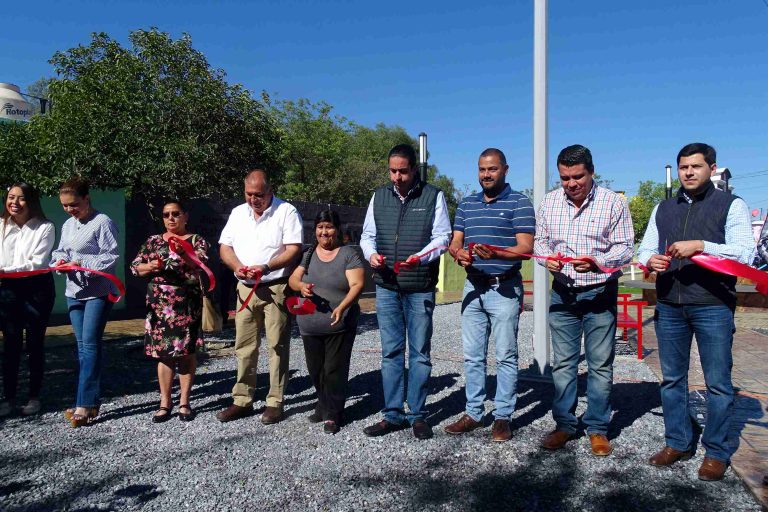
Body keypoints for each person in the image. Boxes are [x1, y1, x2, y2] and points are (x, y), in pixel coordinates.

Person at [638, 143, 753, 481]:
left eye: (696, 166)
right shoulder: (663, 208)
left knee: (717, 383)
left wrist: (702, 246)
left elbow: (744, 253)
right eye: (684, 166)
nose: (688, 172)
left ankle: (716, 452)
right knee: (673, 380)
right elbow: (646, 247)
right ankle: (678, 441)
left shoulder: (731, 205)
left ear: (712, 168)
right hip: (670, 305)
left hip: (713, 305)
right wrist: (650, 260)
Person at [533, 144, 634, 456]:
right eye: (565, 178)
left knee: (600, 364)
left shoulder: (613, 203)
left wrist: (598, 262)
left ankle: (598, 428)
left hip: (600, 293)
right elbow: (540, 241)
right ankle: (564, 424)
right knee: (563, 363)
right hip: (562, 292)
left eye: (577, 176)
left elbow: (626, 248)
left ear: (591, 172)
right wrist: (546, 258)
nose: (571, 184)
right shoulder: (549, 203)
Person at [360, 144, 451, 440]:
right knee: (391, 352)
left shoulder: (433, 196)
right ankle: (392, 414)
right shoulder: (379, 196)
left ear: (414, 169)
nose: (397, 177)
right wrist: (371, 255)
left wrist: (421, 257)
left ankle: (418, 414)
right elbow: (367, 236)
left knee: (420, 354)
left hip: (420, 286)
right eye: (392, 170)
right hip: (386, 285)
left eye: (403, 171)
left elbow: (442, 237)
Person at [445, 148, 535, 442]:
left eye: (492, 169)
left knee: (506, 355)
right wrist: (459, 255)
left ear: (505, 170)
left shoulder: (519, 202)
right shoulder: (467, 204)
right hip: (474, 286)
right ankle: (473, 412)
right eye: (482, 169)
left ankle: (502, 416)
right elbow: (455, 243)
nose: (486, 174)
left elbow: (525, 247)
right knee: (472, 356)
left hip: (504, 287)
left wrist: (496, 252)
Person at [216, 169, 303, 425]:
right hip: (245, 288)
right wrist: (236, 266)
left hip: (275, 286)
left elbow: (294, 249)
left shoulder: (286, 211)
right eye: (249, 194)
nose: (254, 199)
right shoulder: (237, 213)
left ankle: (275, 401)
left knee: (277, 345)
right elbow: (225, 247)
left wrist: (266, 267)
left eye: (259, 195)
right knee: (244, 346)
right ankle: (242, 399)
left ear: (270, 190)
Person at [130, 200, 210, 423]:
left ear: (186, 216)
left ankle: (185, 401)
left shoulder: (196, 241)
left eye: (176, 213)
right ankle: (165, 402)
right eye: (166, 215)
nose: (171, 218)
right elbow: (135, 266)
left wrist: (174, 258)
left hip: (186, 303)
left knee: (186, 352)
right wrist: (150, 267)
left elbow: (199, 263)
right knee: (163, 355)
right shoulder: (153, 241)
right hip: (159, 305)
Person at [288, 210, 364, 434]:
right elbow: (293, 278)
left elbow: (357, 285)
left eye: (329, 227)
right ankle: (323, 403)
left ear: (337, 229)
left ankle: (334, 413)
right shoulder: (308, 254)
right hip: (309, 325)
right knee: (315, 370)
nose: (324, 232)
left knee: (334, 369)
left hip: (338, 323)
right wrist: (301, 286)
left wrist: (342, 306)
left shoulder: (348, 254)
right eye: (320, 227)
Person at [51, 177, 120, 428]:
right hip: (74, 292)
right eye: (65, 206)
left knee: (89, 346)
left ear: (86, 198)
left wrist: (83, 266)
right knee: (81, 347)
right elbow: (61, 251)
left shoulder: (103, 223)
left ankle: (86, 404)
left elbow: (110, 257)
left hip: (97, 292)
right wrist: (60, 262)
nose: (70, 210)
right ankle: (88, 400)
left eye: (74, 204)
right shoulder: (69, 225)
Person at [0, 183, 56, 417]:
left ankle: (34, 397)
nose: (14, 202)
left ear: (31, 201)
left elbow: (38, 262)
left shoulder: (45, 227)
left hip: (37, 288)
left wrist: (4, 269)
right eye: (10, 197)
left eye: (21, 198)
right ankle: (8, 398)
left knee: (35, 343)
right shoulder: (1, 226)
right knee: (10, 343)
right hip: (8, 289)